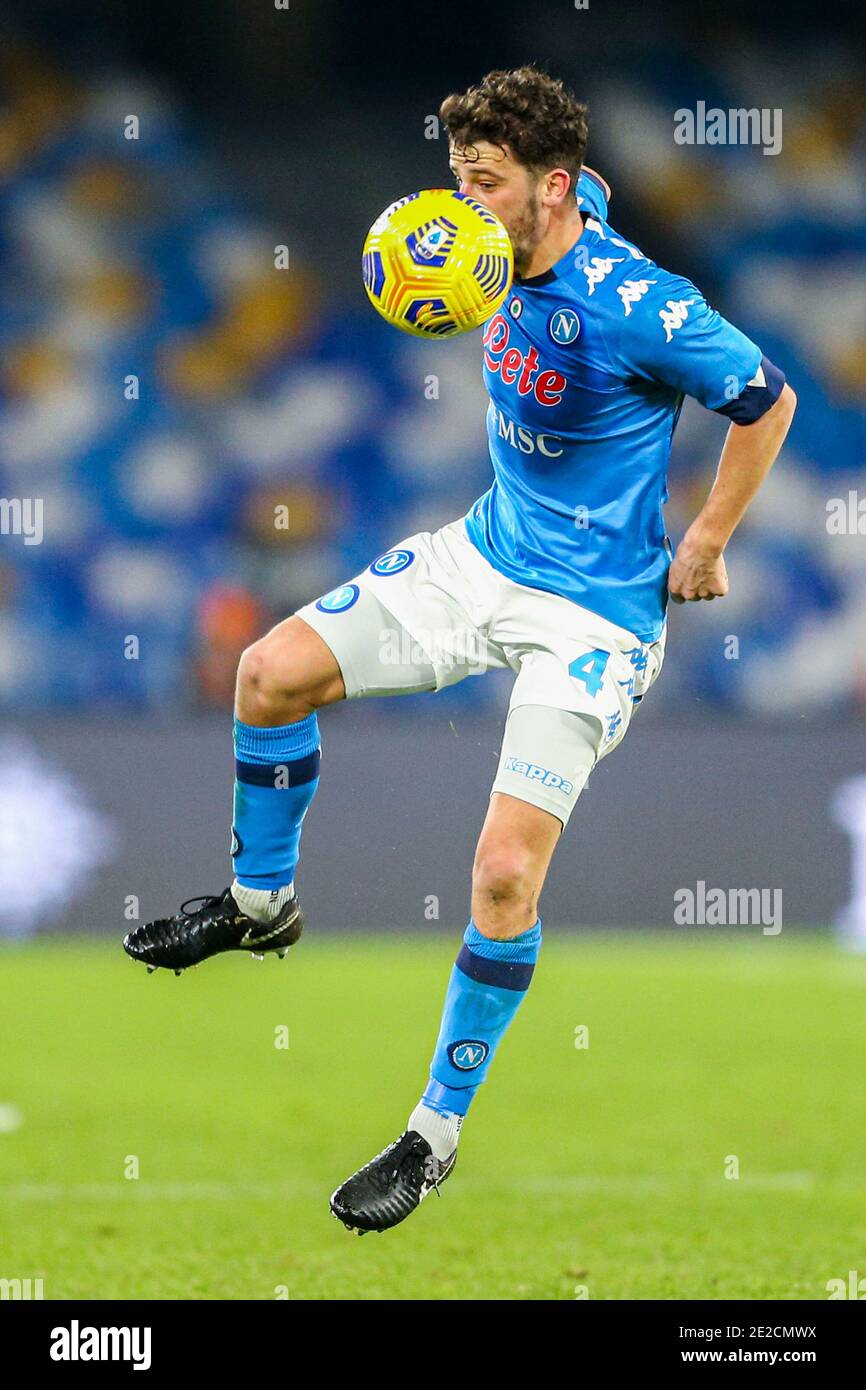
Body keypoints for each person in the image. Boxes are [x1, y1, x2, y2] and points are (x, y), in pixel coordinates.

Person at [123, 66, 797, 1234]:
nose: (461, 203)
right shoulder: (485, 240)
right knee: (267, 673)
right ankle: (259, 901)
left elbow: (766, 398)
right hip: (482, 557)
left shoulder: (639, 299)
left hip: (591, 618)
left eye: (483, 183)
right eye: (455, 177)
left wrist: (705, 533)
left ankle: (431, 1135)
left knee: (498, 875)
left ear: (552, 189)